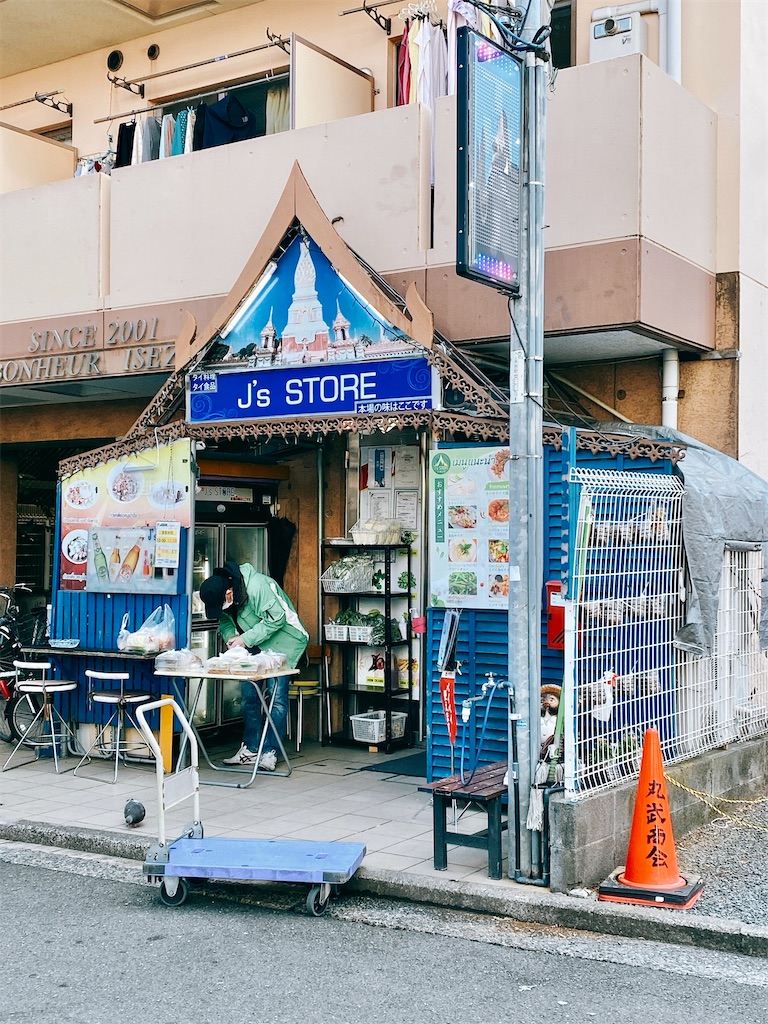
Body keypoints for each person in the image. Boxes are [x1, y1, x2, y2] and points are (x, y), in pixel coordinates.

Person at [199, 561, 309, 770]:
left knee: (276, 700)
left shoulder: (257, 586)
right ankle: (250, 749)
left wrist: (245, 639)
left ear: (229, 592)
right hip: (256, 645)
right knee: (250, 696)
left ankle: (269, 752)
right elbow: (225, 621)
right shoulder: (225, 594)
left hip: (284, 642)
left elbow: (277, 619)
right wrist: (232, 638)